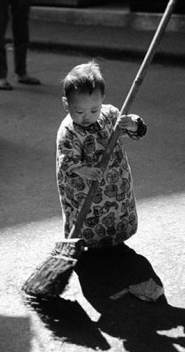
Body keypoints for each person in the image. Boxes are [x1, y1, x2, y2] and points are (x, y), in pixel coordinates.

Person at [56, 61, 147, 249]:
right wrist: (84, 170)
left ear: (102, 100)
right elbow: (66, 161)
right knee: (89, 219)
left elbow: (137, 132)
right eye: (79, 111)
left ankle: (115, 240)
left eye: (94, 110)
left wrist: (133, 124)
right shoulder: (69, 130)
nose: (87, 116)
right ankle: (87, 244)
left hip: (115, 183)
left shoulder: (111, 115)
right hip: (86, 189)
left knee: (116, 213)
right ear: (66, 104)